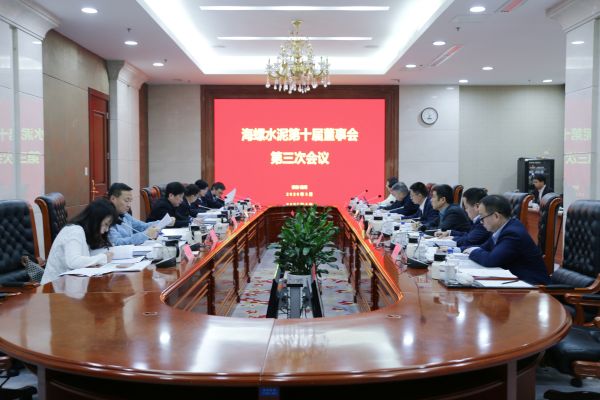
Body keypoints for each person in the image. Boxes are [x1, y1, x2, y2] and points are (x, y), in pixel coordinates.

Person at [466, 195, 550, 285]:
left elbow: (491, 260)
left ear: (496, 216)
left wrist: (471, 252)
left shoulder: (513, 233)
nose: (481, 222)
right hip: (516, 282)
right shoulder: (501, 228)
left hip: (534, 287)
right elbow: (483, 248)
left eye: (482, 217)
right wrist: (465, 250)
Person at [41, 198, 118, 284]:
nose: (106, 229)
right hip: (52, 287)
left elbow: (86, 256)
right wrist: (103, 258)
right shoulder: (74, 231)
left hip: (70, 284)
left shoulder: (84, 232)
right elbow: (73, 262)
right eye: (106, 224)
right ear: (95, 220)